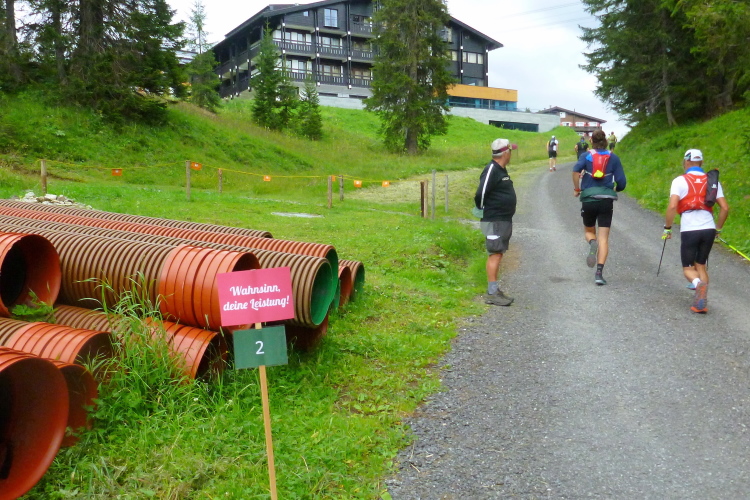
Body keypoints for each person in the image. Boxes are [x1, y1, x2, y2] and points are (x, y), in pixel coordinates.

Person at [662, 149, 729, 313]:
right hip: (709, 228)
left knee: (688, 268)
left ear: (686, 162)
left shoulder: (679, 181)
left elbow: (672, 206)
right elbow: (725, 208)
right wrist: (718, 229)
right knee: (701, 265)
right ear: (701, 163)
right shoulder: (712, 181)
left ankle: (698, 286)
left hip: (690, 228)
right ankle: (701, 303)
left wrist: (667, 228)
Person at [571, 129, 627, 285]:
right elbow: (622, 182)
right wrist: (616, 188)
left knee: (589, 232)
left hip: (589, 199)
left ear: (591, 141)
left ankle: (592, 243)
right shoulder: (613, 157)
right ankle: (599, 274)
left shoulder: (586, 156)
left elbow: (575, 171)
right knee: (604, 238)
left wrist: (577, 189)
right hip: (606, 200)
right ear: (606, 141)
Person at [474, 138, 517, 306]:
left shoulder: (501, 170)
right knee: (495, 253)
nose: (511, 154)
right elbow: (481, 193)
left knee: (498, 253)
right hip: (494, 220)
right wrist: (482, 209)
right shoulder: (491, 169)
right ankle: (492, 293)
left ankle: (494, 290)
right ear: (505, 153)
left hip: (502, 219)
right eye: (510, 151)